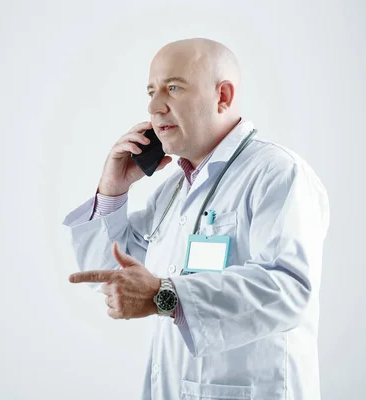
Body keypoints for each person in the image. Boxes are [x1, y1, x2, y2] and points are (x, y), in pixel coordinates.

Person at [61, 38, 329, 400]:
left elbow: (288, 290)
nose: (155, 106)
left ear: (223, 95)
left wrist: (164, 295)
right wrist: (112, 189)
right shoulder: (173, 190)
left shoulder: (277, 173)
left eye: (173, 87)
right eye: (152, 91)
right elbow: (113, 274)